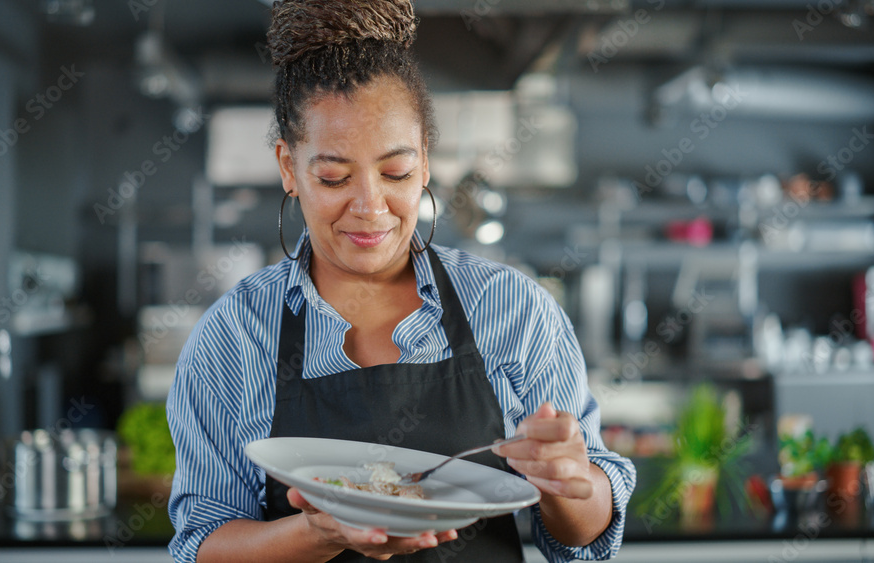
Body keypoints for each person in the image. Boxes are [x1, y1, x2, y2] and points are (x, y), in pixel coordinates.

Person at [166, 0, 635, 561]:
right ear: (289, 168)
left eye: (396, 172)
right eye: (334, 176)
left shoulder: (512, 309)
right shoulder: (233, 337)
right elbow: (201, 544)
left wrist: (570, 480)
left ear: (427, 161)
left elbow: (585, 533)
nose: (370, 207)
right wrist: (315, 534)